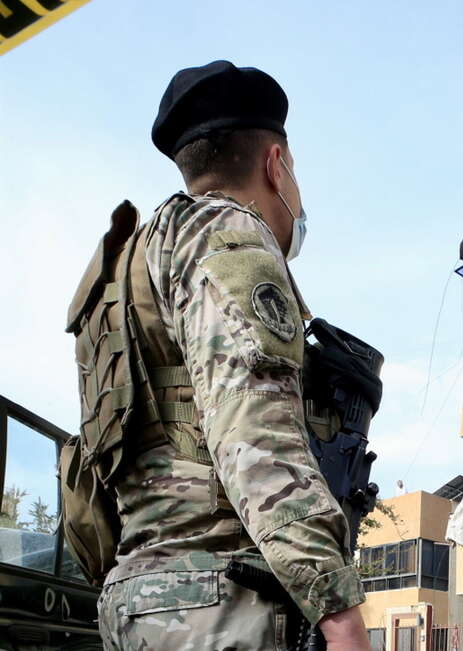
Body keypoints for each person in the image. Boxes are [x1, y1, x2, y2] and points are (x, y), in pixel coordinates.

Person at [66, 61, 370, 651]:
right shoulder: (227, 235)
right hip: (219, 602)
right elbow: (255, 432)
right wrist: (340, 615)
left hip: (136, 600)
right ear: (276, 164)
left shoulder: (124, 269)